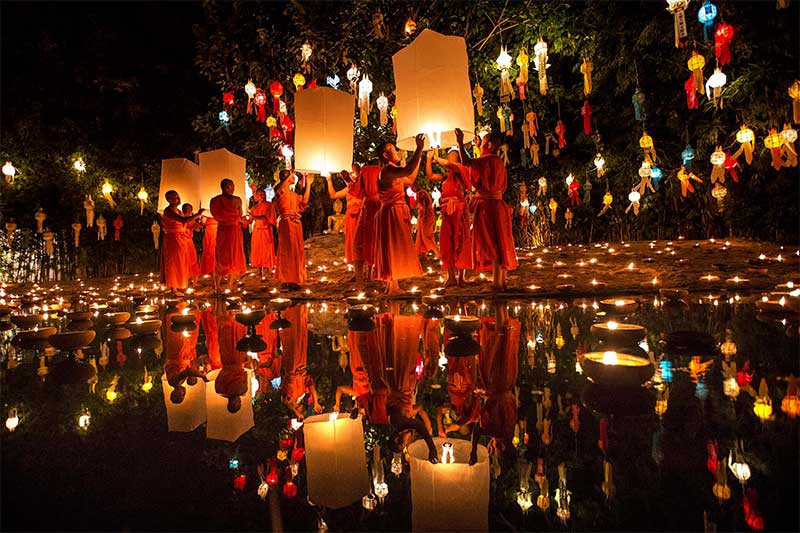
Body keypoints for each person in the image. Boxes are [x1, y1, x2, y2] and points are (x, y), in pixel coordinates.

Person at [455, 128, 518, 290]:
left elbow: (466, 162)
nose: (480, 145)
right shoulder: (497, 161)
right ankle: (501, 281)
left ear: (489, 144)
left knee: (492, 243)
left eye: (482, 143)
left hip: (487, 208)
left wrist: (460, 142)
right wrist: (477, 147)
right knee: (501, 241)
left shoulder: (487, 160)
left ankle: (496, 283)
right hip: (499, 205)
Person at [373, 134, 425, 295]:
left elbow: (410, 178)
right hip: (391, 213)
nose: (397, 151)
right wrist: (418, 148)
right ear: (386, 155)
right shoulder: (388, 170)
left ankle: (392, 285)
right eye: (393, 150)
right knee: (392, 246)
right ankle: (393, 286)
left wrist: (421, 155)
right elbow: (408, 169)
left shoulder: (393, 171)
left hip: (395, 211)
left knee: (394, 246)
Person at [426, 148, 472, 287]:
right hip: (447, 212)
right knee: (447, 243)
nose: (449, 159)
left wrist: (438, 159)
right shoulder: (445, 176)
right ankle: (451, 276)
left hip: (459, 211)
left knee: (461, 241)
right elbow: (430, 175)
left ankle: (461, 277)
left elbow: (449, 165)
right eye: (448, 156)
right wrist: (429, 159)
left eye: (453, 156)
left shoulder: (461, 170)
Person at [274, 170, 314, 289]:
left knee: (296, 250)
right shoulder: (280, 190)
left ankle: (294, 278)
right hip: (286, 222)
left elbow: (304, 202)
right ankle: (287, 279)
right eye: (290, 175)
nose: (293, 177)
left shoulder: (293, 194)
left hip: (296, 223)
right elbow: (279, 190)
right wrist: (291, 174)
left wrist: (309, 184)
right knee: (288, 250)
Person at [160, 190, 204, 296]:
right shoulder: (168, 211)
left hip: (180, 238)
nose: (178, 199)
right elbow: (183, 220)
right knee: (173, 263)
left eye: (178, 197)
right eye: (175, 197)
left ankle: (178, 284)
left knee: (180, 262)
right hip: (173, 239)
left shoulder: (178, 210)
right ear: (169, 200)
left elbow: (186, 222)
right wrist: (198, 214)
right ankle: (173, 288)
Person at [210, 179, 247, 293]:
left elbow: (238, 215)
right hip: (227, 231)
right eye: (231, 186)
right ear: (226, 187)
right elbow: (239, 215)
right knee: (223, 258)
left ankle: (227, 285)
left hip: (231, 230)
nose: (233, 188)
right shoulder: (220, 200)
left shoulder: (216, 200)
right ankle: (220, 286)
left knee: (232, 257)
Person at [325, 165, 363, 267]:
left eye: (353, 173)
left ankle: (369, 272)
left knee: (363, 242)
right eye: (350, 173)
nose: (351, 175)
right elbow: (333, 195)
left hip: (362, 217)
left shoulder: (364, 186)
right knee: (352, 243)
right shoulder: (348, 188)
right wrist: (329, 180)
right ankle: (356, 272)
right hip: (351, 218)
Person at [352, 163, 382, 290]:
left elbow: (356, 192)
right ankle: (380, 278)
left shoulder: (366, 171)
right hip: (380, 207)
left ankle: (360, 283)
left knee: (359, 244)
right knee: (380, 244)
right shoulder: (386, 169)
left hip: (372, 208)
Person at [248, 188, 278, 280]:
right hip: (257, 231)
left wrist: (254, 217)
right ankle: (259, 269)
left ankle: (267, 269)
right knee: (257, 249)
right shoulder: (254, 208)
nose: (263, 196)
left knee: (266, 249)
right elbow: (250, 220)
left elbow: (267, 218)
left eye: (264, 194)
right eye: (260, 194)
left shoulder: (269, 205)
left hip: (266, 230)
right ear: (256, 196)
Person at [413, 184, 438, 259]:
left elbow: (425, 206)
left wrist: (424, 216)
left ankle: (437, 252)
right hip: (423, 216)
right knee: (420, 235)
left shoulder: (422, 194)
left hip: (426, 216)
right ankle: (423, 254)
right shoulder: (420, 193)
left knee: (426, 235)